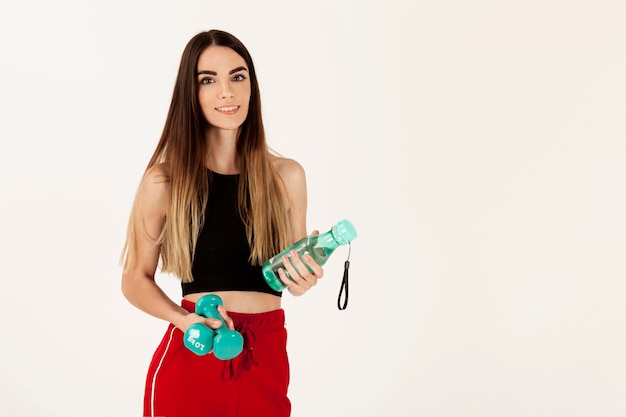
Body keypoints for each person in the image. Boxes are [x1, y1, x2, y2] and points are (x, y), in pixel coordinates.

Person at [120, 29, 324, 417]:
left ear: (251, 87)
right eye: (208, 80)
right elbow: (134, 278)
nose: (226, 91)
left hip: (266, 356)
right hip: (195, 350)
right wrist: (182, 320)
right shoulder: (165, 182)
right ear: (191, 94)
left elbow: (293, 283)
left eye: (238, 76)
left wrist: (305, 274)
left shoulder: (287, 177)